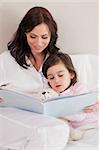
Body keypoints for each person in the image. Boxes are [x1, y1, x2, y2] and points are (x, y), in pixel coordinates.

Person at [0, 6, 60, 94]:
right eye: (33, 36)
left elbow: (73, 90)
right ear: (25, 34)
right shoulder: (6, 59)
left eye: (44, 37)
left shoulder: (59, 61)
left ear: (51, 37)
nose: (38, 43)